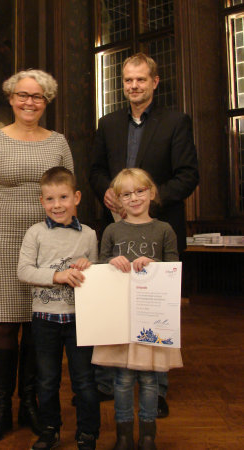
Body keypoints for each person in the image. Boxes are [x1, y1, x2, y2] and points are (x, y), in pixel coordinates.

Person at [89, 52, 199, 417]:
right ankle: (110, 383)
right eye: (127, 81)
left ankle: (158, 388)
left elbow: (187, 175)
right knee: (116, 309)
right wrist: (106, 190)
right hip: (116, 231)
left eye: (140, 80)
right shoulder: (107, 123)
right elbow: (96, 170)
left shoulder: (176, 121)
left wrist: (146, 201)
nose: (133, 86)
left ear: (154, 82)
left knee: (158, 313)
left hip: (159, 230)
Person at [0, 70, 74, 444]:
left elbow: (68, 195)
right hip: (2, 236)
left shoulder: (59, 142)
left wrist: (68, 246)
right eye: (23, 95)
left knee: (37, 325)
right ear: (11, 98)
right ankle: (1, 408)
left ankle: (29, 403)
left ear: (46, 102)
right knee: (5, 325)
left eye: (38, 97)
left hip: (48, 242)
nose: (30, 102)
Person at [92, 168, 183, 450]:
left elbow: (173, 268)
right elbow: (101, 267)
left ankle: (147, 436)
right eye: (126, 194)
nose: (134, 198)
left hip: (151, 317)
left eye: (139, 191)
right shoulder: (111, 230)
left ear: (151, 192)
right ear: (117, 200)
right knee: (121, 380)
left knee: (149, 379)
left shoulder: (164, 230)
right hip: (120, 315)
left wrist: (153, 266)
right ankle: (122, 436)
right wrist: (111, 263)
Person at [17, 167, 100, 450]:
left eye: (63, 197)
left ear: (76, 197)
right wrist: (57, 276)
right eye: (50, 199)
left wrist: (90, 267)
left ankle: (88, 433)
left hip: (79, 319)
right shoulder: (35, 233)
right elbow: (24, 271)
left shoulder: (89, 235)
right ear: (42, 202)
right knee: (47, 380)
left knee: (84, 381)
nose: (57, 205)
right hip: (45, 319)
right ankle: (50, 429)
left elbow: (97, 277)